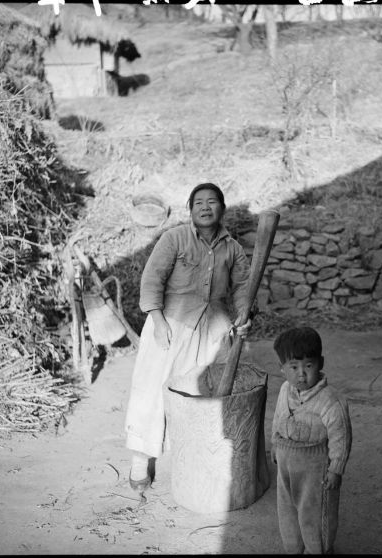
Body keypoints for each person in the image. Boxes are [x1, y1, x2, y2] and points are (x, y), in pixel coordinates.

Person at [124, 183, 252, 492]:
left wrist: (244, 315)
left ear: (222, 208)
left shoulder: (232, 248)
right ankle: (140, 462)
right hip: (171, 326)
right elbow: (152, 278)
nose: (205, 207)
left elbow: (244, 286)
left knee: (206, 396)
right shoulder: (174, 239)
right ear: (190, 210)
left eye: (212, 202)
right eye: (198, 203)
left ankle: (198, 460)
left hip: (215, 331)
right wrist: (156, 320)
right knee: (152, 392)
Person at [271, 326, 352, 554]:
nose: (301, 374)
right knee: (287, 509)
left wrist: (336, 469)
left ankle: (318, 549)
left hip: (315, 467)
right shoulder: (285, 390)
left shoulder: (330, 401)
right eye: (293, 367)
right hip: (286, 462)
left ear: (321, 363)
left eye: (309, 366)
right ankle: (294, 548)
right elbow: (278, 418)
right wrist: (274, 444)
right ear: (282, 368)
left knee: (315, 514)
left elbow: (341, 436)